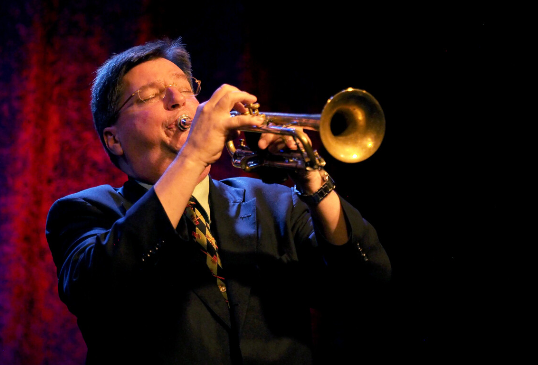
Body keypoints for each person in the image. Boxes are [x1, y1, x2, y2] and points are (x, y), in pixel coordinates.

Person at [46, 37, 391, 364]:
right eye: (150, 95)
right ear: (114, 139)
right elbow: (96, 287)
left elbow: (366, 283)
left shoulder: (274, 202)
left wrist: (311, 178)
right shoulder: (84, 211)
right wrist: (193, 156)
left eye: (186, 89)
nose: (177, 99)